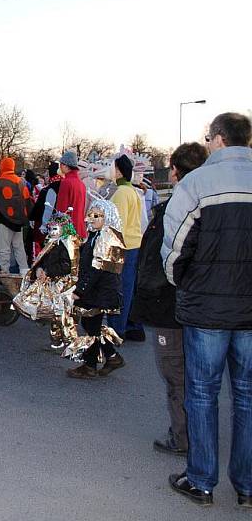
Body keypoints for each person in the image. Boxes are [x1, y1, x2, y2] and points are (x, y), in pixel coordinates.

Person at [162, 112, 252, 508]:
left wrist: (184, 283)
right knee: (247, 396)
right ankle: (247, 486)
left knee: (201, 394)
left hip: (206, 311)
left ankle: (201, 481)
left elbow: (174, 248)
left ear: (217, 140)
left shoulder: (197, 184)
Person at [129, 143, 208, 458]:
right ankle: (196, 435)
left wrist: (146, 296)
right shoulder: (208, 203)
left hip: (171, 304)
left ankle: (183, 437)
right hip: (201, 304)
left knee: (176, 373)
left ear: (175, 171)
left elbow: (161, 262)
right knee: (196, 375)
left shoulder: (176, 207)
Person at [64, 199, 125, 379]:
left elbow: (97, 268)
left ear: (107, 217)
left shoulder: (107, 236)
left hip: (100, 291)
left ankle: (92, 364)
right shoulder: (97, 234)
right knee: (92, 325)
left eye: (97, 215)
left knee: (92, 325)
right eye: (90, 215)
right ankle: (109, 357)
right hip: (96, 289)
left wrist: (79, 290)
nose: (91, 219)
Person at [12, 211, 80, 349]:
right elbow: (43, 260)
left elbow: (68, 266)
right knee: (53, 312)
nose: (52, 232)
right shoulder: (52, 242)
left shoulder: (68, 244)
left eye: (55, 229)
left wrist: (48, 272)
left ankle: (70, 343)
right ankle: (56, 339)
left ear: (64, 228)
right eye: (50, 228)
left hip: (63, 285)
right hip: (51, 283)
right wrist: (40, 270)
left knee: (63, 314)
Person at [108, 154, 145, 341]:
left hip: (123, 246)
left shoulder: (122, 192)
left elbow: (117, 223)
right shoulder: (132, 191)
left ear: (119, 171)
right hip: (133, 244)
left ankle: (117, 328)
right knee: (127, 287)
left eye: (114, 168)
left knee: (119, 289)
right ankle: (125, 325)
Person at [0, 157, 31, 279]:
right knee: (19, 247)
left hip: (3, 220)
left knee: (3, 248)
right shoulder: (21, 181)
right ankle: (24, 270)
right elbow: (27, 200)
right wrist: (28, 217)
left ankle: (4, 271)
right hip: (19, 220)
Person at [55, 151, 86, 238]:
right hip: (79, 228)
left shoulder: (66, 182)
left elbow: (61, 209)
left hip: (68, 230)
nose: (60, 167)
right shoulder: (81, 184)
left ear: (65, 165)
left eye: (61, 164)